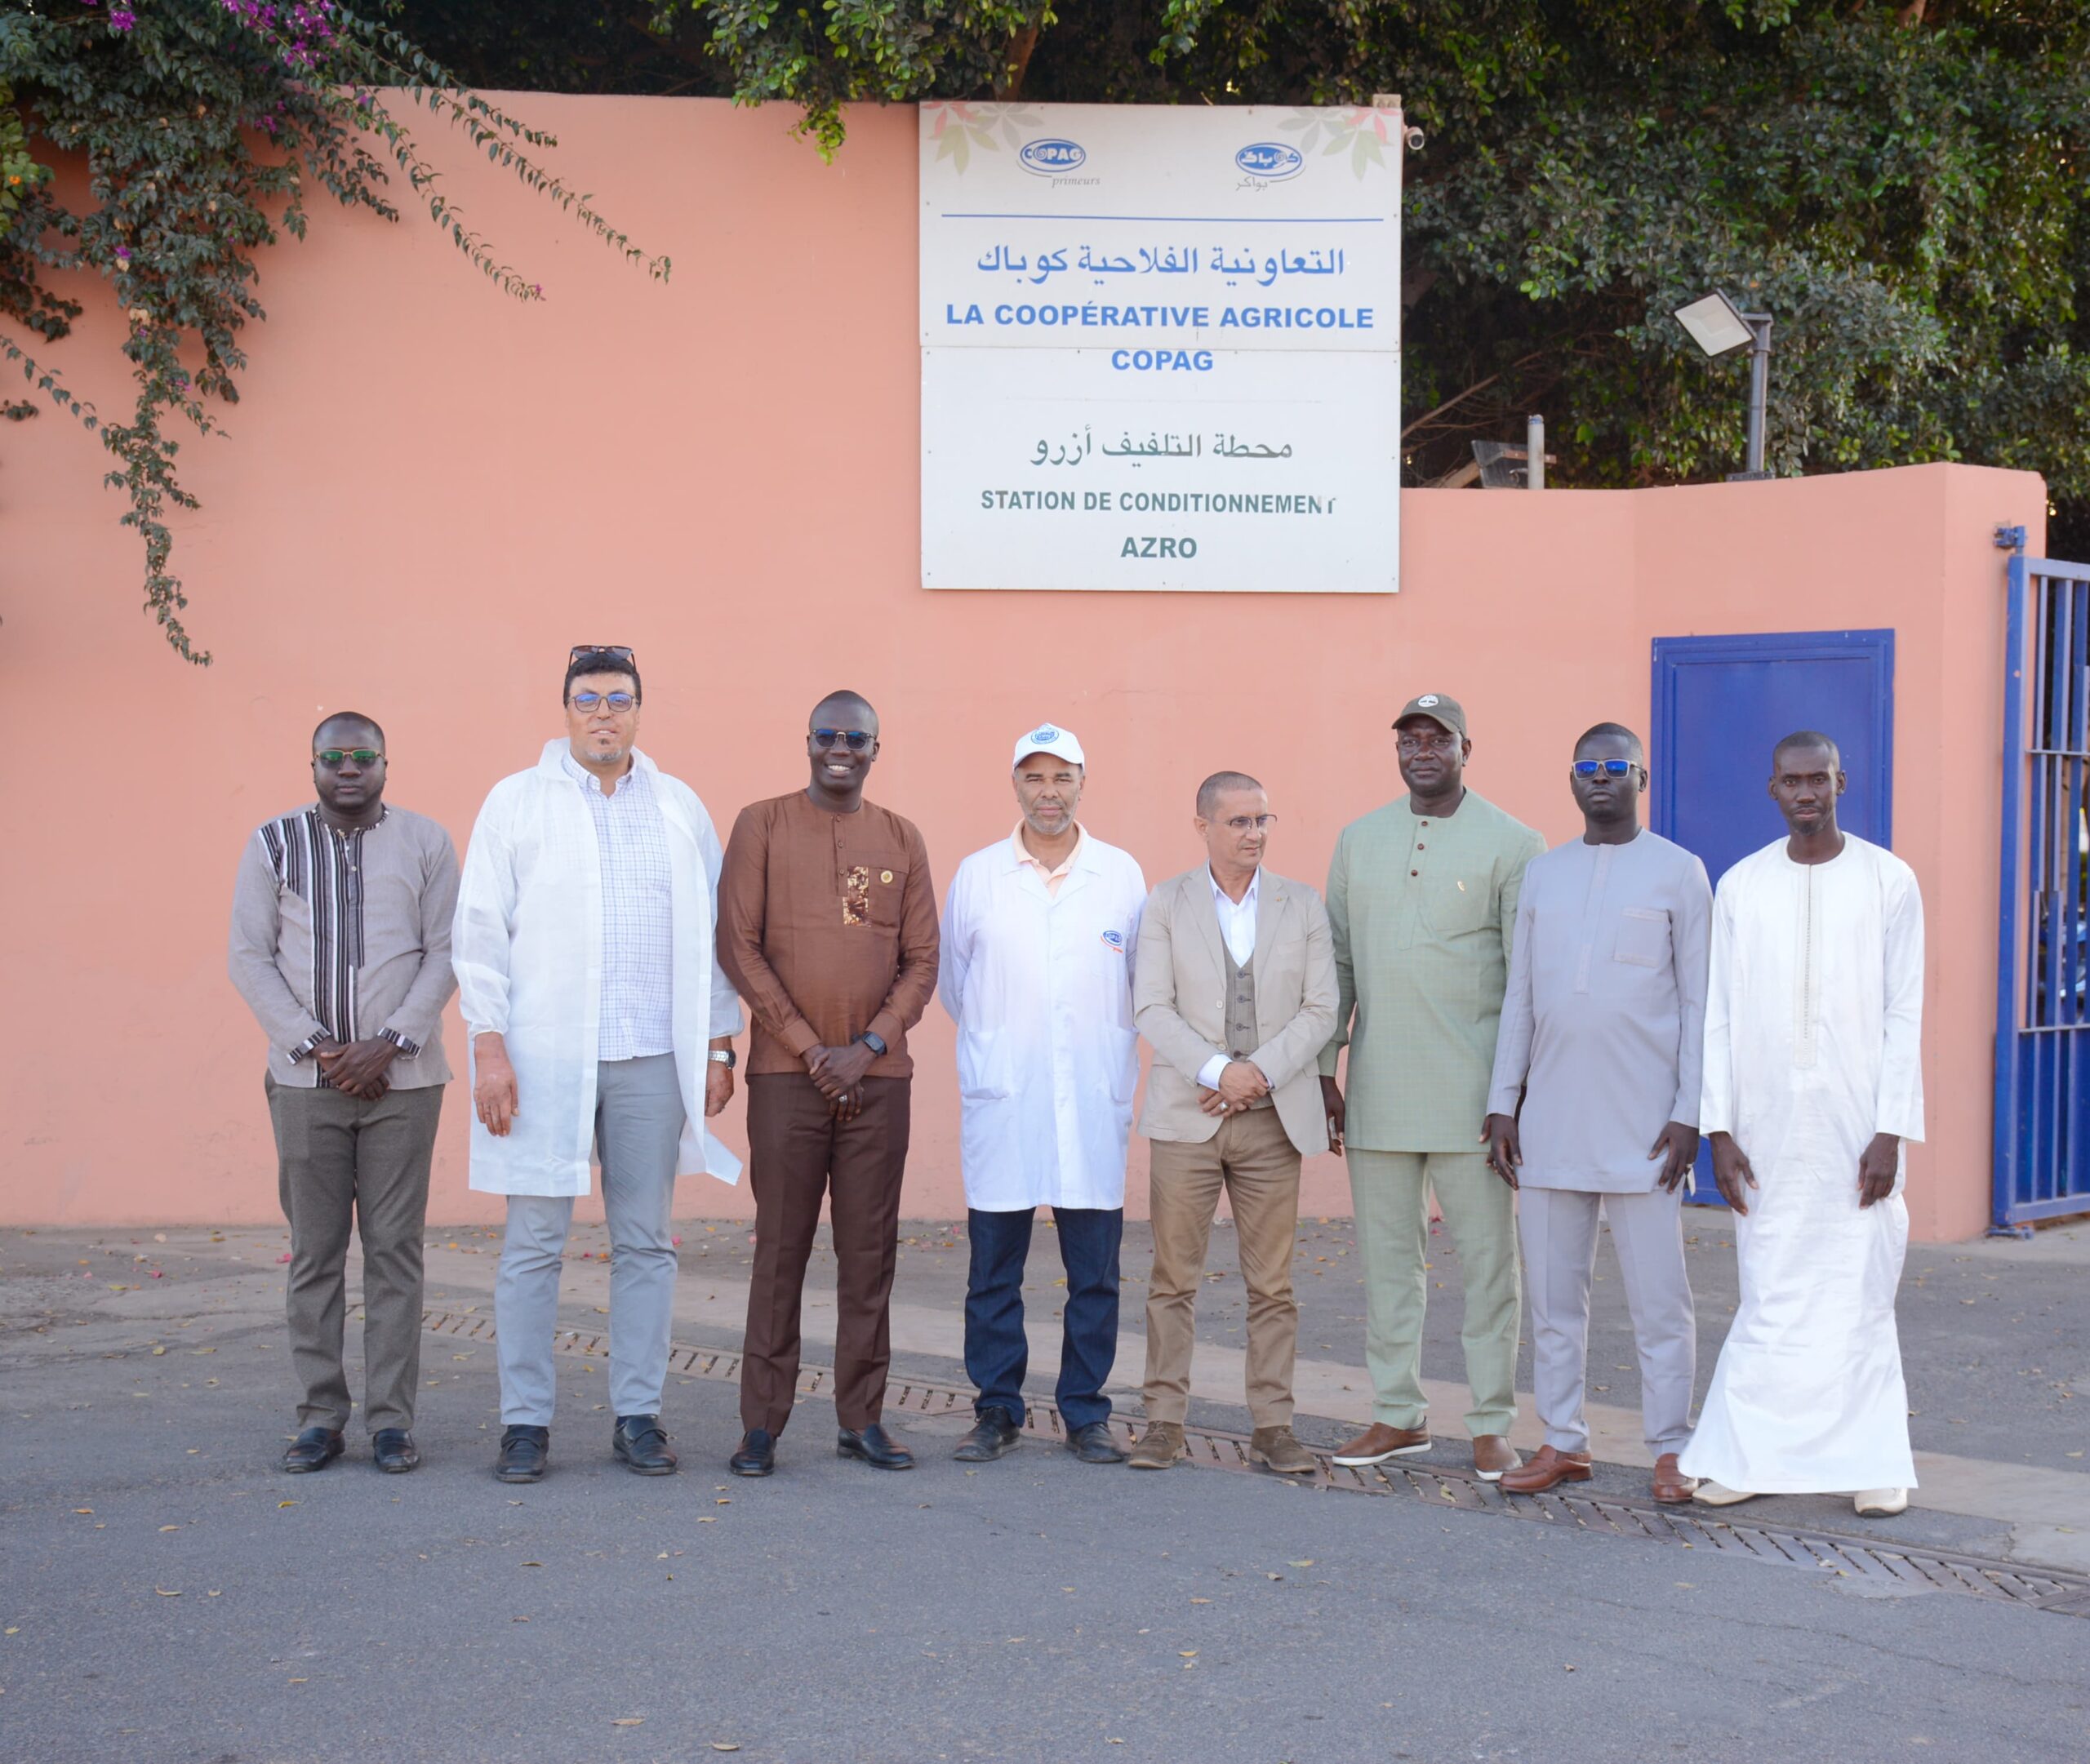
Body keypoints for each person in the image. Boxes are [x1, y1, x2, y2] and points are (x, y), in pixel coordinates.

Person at [452, 648, 742, 1485]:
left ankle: (638, 1414)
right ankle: (524, 1422)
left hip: (652, 1059)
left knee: (647, 1242)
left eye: (619, 699)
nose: (604, 713)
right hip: (545, 1058)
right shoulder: (516, 802)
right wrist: (489, 1043)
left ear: (641, 709)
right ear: (566, 710)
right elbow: (480, 931)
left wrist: (720, 1045)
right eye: (588, 699)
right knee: (534, 1242)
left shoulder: (679, 806)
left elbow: (715, 939)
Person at [1681, 732, 1924, 1519]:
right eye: (1792, 780)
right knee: (1772, 1287)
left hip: (1859, 1123)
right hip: (1766, 1124)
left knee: (1860, 1285)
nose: (1806, 792)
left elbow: (1903, 1011)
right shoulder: (1744, 885)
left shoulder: (1890, 880)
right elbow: (1716, 1015)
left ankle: (1875, 1461)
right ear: (1773, 790)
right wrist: (1718, 1128)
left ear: (1840, 782)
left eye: (1818, 778)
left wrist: (1891, 1127)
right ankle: (1749, 1453)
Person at [1319, 693, 1545, 1481]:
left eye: (1437, 737)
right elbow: (1338, 965)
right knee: (1387, 1265)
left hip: (1475, 1104)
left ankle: (1490, 1422)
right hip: (1379, 1090)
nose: (1422, 749)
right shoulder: (1358, 840)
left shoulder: (1514, 843)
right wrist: (1325, 1071)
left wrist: (1513, 1097)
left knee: (1489, 1266)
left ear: (1465, 748)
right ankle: (1397, 1414)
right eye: (1409, 738)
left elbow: (1526, 984)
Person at [1484, 723, 1710, 1504]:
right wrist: (1502, 1101)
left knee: (1660, 1303)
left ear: (1642, 776)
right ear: (1571, 779)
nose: (1602, 778)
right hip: (1548, 1120)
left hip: (1648, 1127)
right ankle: (1563, 1442)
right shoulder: (1543, 875)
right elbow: (1521, 996)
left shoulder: (1680, 873)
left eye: (1617, 766)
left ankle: (1673, 1448)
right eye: (1589, 767)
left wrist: (1692, 1112)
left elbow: (1700, 1002)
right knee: (1553, 1296)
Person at [229, 713, 458, 1475]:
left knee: (395, 1252)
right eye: (335, 758)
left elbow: (447, 949)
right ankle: (321, 1416)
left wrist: (391, 1042)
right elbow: (249, 957)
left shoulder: (426, 842)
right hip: (306, 1083)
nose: (349, 769)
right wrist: (320, 1048)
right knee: (317, 1254)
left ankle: (392, 1421)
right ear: (314, 766)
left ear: (387, 764)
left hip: (405, 1081)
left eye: (364, 757)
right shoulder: (273, 844)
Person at [718, 691, 939, 1477]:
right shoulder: (762, 824)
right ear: (806, 741)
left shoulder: (900, 838)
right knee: (780, 1250)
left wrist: (870, 1043)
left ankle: (862, 1418)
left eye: (857, 737)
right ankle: (761, 1426)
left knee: (868, 1252)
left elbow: (922, 961)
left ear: (877, 748)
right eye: (827, 735)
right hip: (787, 1075)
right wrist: (815, 1049)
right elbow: (739, 947)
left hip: (879, 1080)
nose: (840, 747)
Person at [937, 723, 1147, 1466]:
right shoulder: (979, 874)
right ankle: (996, 1408)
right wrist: (1007, 1043)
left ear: (1083, 784)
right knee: (994, 1270)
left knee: (1095, 1272)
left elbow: (1138, 986)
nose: (1048, 793)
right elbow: (955, 984)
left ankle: (1085, 1410)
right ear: (1015, 785)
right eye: (1034, 778)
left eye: (1062, 777)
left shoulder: (1121, 874)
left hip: (1091, 1098)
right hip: (1009, 1097)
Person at [1129, 772, 1337, 1475]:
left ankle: (1273, 1426)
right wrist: (1221, 1071)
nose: (1254, 833)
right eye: (1240, 821)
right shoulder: (1167, 901)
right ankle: (1163, 1419)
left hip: (1274, 1118)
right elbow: (1151, 1006)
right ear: (1204, 825)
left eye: (1263, 819)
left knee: (1272, 1284)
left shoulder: (1302, 904)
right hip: (1188, 1116)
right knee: (1172, 1278)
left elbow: (1321, 1009)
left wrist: (1258, 1074)